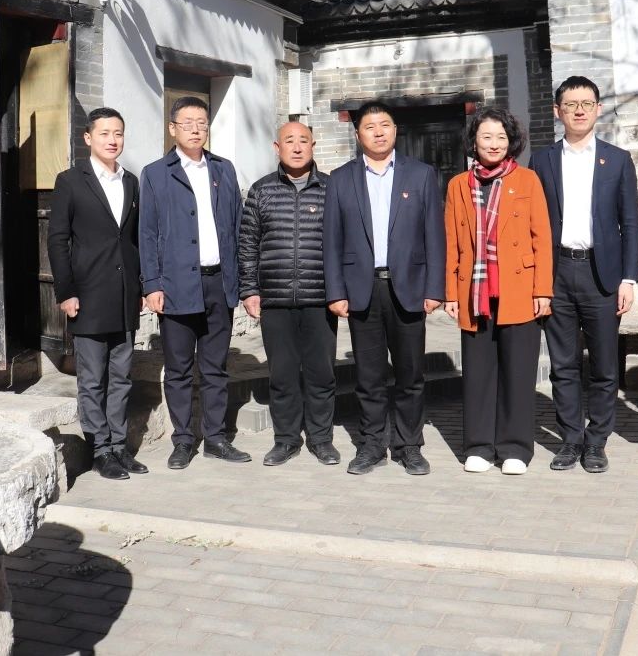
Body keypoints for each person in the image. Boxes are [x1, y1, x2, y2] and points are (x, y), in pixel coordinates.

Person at [323, 100, 446, 476]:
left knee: (411, 375)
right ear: (358, 133)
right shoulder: (341, 178)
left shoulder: (421, 174)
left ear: (395, 130)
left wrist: (434, 288)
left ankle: (409, 446)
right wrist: (336, 292)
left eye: (385, 125)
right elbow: (332, 241)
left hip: (408, 288)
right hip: (362, 289)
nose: (378, 132)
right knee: (369, 377)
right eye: (370, 127)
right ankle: (372, 445)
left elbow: (434, 235)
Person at [529, 76, 638, 474]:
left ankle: (596, 442)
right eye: (571, 104)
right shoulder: (542, 161)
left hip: (602, 275)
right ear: (557, 111)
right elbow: (533, 223)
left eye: (587, 103)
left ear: (598, 109)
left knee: (605, 367)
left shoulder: (617, 159)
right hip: (557, 272)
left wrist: (629, 278)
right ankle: (570, 439)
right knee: (563, 365)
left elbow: (630, 223)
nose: (579, 110)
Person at [139, 97, 248, 469]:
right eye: (187, 123)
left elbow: (237, 227)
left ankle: (215, 437)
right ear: (173, 128)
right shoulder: (156, 173)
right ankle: (184, 440)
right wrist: (152, 284)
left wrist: (242, 281)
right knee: (180, 369)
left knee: (216, 366)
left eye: (202, 122)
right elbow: (147, 233)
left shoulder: (223, 169)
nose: (196, 129)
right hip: (176, 285)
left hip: (219, 282)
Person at [444, 107, 553, 475]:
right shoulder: (458, 184)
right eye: (486, 136)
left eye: (501, 137)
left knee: (518, 373)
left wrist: (543, 290)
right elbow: (452, 242)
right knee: (478, 373)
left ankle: (515, 448)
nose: (493, 144)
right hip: (473, 291)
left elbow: (542, 238)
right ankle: (478, 446)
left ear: (512, 142)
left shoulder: (528, 181)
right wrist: (450, 293)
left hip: (519, 288)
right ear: (473, 141)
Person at [47, 107, 147, 480]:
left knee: (122, 375)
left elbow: (133, 239)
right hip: (87, 294)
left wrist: (140, 287)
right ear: (88, 138)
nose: (112, 140)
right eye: (104, 133)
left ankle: (119, 447)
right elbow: (57, 240)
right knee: (92, 378)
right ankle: (100, 449)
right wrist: (66, 291)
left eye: (118, 133)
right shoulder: (71, 181)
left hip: (124, 294)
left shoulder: (131, 182)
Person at [238, 122, 339, 467]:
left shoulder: (331, 188)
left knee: (321, 374)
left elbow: (344, 243)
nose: (296, 148)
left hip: (320, 299)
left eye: (303, 141)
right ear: (276, 146)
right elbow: (247, 244)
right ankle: (286, 440)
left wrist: (340, 291)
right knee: (281, 375)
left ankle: (321, 440)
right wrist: (250, 290)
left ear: (313, 145)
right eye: (289, 141)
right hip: (275, 300)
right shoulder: (262, 190)